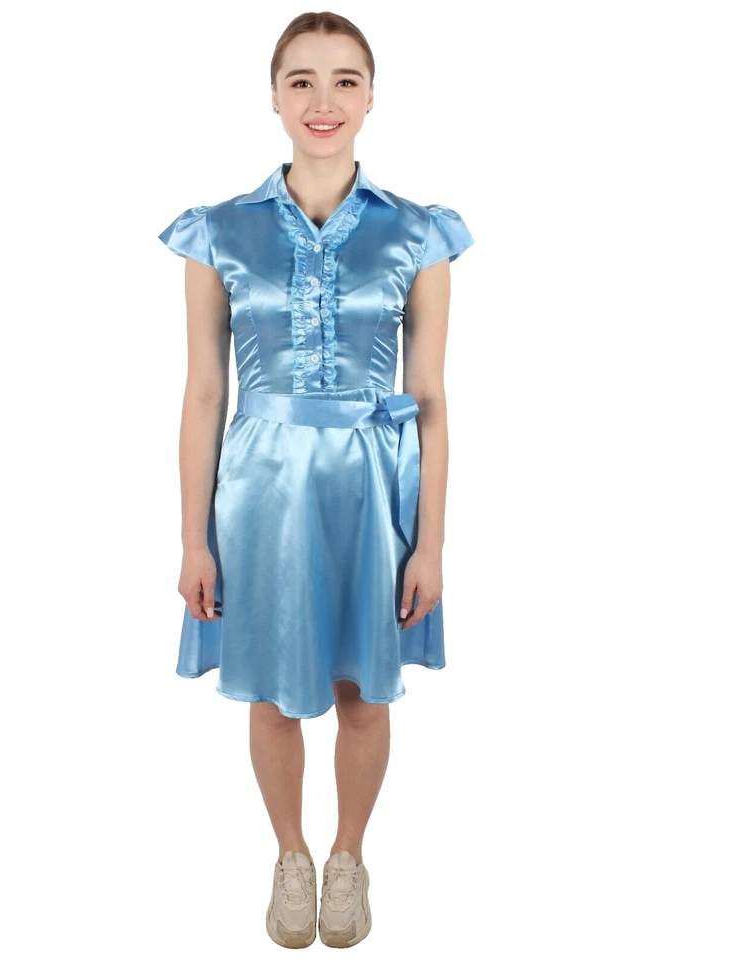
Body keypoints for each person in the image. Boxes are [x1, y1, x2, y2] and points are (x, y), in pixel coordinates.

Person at [158, 11, 474, 950]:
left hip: (373, 488)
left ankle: (348, 855)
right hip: (259, 488)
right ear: (273, 96)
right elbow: (204, 392)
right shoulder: (219, 232)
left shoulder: (418, 234)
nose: (322, 100)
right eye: (301, 80)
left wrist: (431, 542)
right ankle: (289, 854)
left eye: (345, 80)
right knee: (271, 688)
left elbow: (431, 398)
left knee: (361, 693)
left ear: (372, 96)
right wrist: (191, 538)